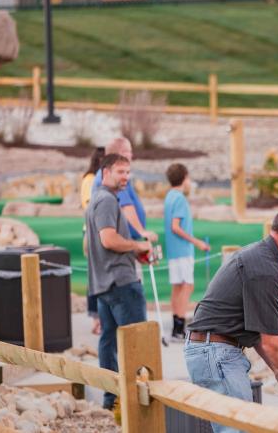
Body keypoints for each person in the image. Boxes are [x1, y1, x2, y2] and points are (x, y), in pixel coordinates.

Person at [184, 206, 278, 432]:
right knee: (239, 429)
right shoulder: (265, 269)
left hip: (210, 349)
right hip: (216, 353)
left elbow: (255, 329)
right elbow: (272, 343)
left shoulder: (259, 255)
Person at [85, 153, 153, 411]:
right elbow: (109, 239)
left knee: (109, 341)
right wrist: (138, 244)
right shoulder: (106, 201)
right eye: (120, 171)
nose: (125, 177)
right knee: (137, 342)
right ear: (106, 172)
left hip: (105, 284)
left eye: (128, 172)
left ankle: (113, 400)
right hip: (121, 283)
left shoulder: (98, 200)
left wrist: (136, 252)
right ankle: (139, 403)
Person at [163, 163, 210, 341]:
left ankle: (176, 326)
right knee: (187, 286)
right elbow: (176, 226)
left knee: (177, 286)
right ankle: (179, 328)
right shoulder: (180, 198)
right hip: (182, 250)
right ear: (184, 178)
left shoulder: (169, 196)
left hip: (173, 250)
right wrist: (197, 242)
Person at [92, 138, 158, 243]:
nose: (132, 155)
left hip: (123, 241)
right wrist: (141, 232)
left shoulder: (112, 175)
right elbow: (125, 206)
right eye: (130, 151)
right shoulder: (114, 178)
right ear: (121, 153)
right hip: (118, 244)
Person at [81, 146, 106, 336]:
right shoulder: (90, 180)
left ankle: (101, 317)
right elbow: (89, 206)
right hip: (92, 232)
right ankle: (96, 317)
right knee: (95, 277)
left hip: (101, 231)